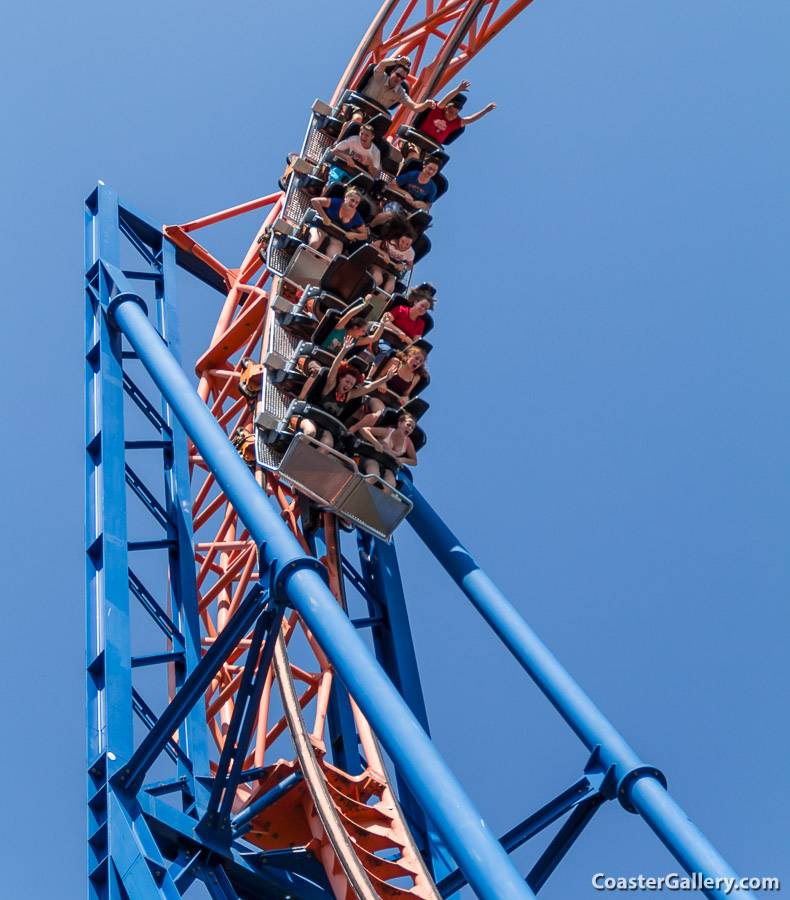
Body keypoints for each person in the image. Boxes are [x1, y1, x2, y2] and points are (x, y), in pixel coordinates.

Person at [299, 337, 397, 449]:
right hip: (311, 418)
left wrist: (385, 378)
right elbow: (335, 367)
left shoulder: (349, 394)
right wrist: (343, 351)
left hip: (326, 426)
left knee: (328, 445)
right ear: (340, 379)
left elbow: (368, 388)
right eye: (347, 382)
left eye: (351, 384)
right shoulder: (331, 385)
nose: (348, 386)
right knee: (310, 432)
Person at [416, 79, 497, 144]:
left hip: (432, 145)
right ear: (445, 109)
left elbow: (470, 119)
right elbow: (445, 100)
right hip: (419, 137)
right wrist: (458, 89)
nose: (453, 115)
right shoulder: (437, 110)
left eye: (455, 114)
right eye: (451, 112)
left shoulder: (455, 123)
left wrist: (486, 110)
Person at [370, 156, 441, 227]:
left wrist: (421, 204)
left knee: (407, 227)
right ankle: (370, 227)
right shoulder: (412, 175)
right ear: (424, 166)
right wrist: (405, 194)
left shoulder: (432, 188)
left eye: (434, 170)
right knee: (389, 214)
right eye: (430, 168)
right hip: (396, 201)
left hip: (410, 211)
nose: (431, 172)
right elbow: (391, 185)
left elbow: (428, 206)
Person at [358, 412, 419, 489]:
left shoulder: (408, 443)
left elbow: (414, 461)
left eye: (412, 428)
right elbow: (364, 430)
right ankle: (354, 490)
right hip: (373, 458)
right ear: (399, 424)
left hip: (388, 466)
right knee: (374, 476)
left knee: (390, 486)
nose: (410, 428)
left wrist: (403, 460)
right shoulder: (387, 432)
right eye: (408, 425)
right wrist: (376, 443)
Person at [359, 55, 436, 115]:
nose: (399, 79)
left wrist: (425, 104)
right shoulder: (380, 77)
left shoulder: (400, 92)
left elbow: (415, 107)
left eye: (402, 78)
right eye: (397, 75)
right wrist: (397, 61)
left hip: (374, 116)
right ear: (392, 72)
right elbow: (382, 64)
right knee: (357, 118)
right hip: (360, 107)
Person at [308, 186, 368, 258]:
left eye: (356, 203)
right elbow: (314, 201)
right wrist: (324, 217)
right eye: (352, 200)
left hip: (337, 237)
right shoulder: (335, 202)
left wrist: (354, 235)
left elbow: (364, 235)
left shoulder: (356, 217)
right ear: (346, 197)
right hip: (322, 228)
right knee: (314, 243)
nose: (353, 204)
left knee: (333, 256)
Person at [319, 300, 393, 354]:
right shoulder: (339, 329)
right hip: (321, 353)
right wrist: (363, 305)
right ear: (355, 328)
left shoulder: (354, 341)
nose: (364, 334)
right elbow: (348, 315)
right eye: (363, 331)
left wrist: (382, 323)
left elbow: (374, 338)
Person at [370, 218, 415, 294]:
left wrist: (403, 266)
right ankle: (366, 295)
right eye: (402, 241)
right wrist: (384, 254)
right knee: (378, 279)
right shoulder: (390, 241)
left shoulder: (410, 253)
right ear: (399, 239)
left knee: (389, 289)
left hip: (392, 270)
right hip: (380, 264)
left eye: (407, 244)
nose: (403, 245)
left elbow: (410, 265)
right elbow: (373, 246)